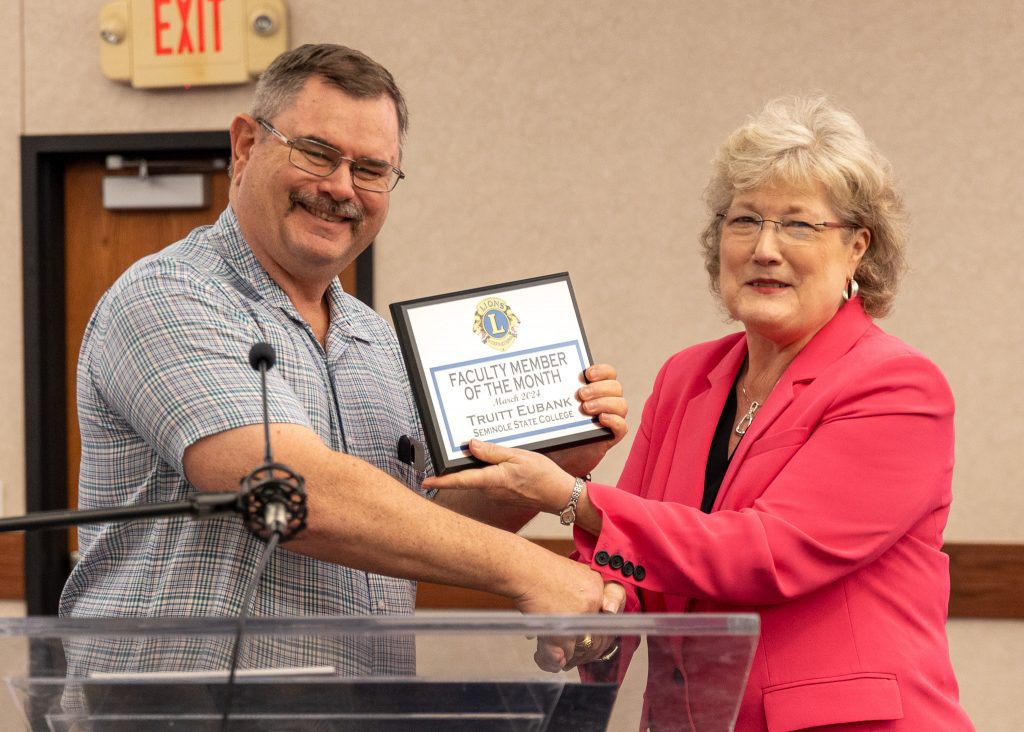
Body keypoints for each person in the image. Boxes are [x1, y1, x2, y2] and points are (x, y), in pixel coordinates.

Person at [58, 44, 628, 675]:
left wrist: (554, 458)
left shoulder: (374, 341)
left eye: (371, 169)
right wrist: (531, 569)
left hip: (365, 707)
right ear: (245, 146)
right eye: (317, 154)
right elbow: (293, 492)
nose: (340, 188)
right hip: (184, 712)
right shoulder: (169, 297)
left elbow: (423, 524)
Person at [426, 96, 974, 730]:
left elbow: (770, 554)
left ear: (856, 247)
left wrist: (571, 497)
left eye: (797, 225)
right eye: (745, 221)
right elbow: (637, 564)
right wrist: (589, 626)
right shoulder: (688, 379)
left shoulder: (897, 387)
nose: (765, 248)